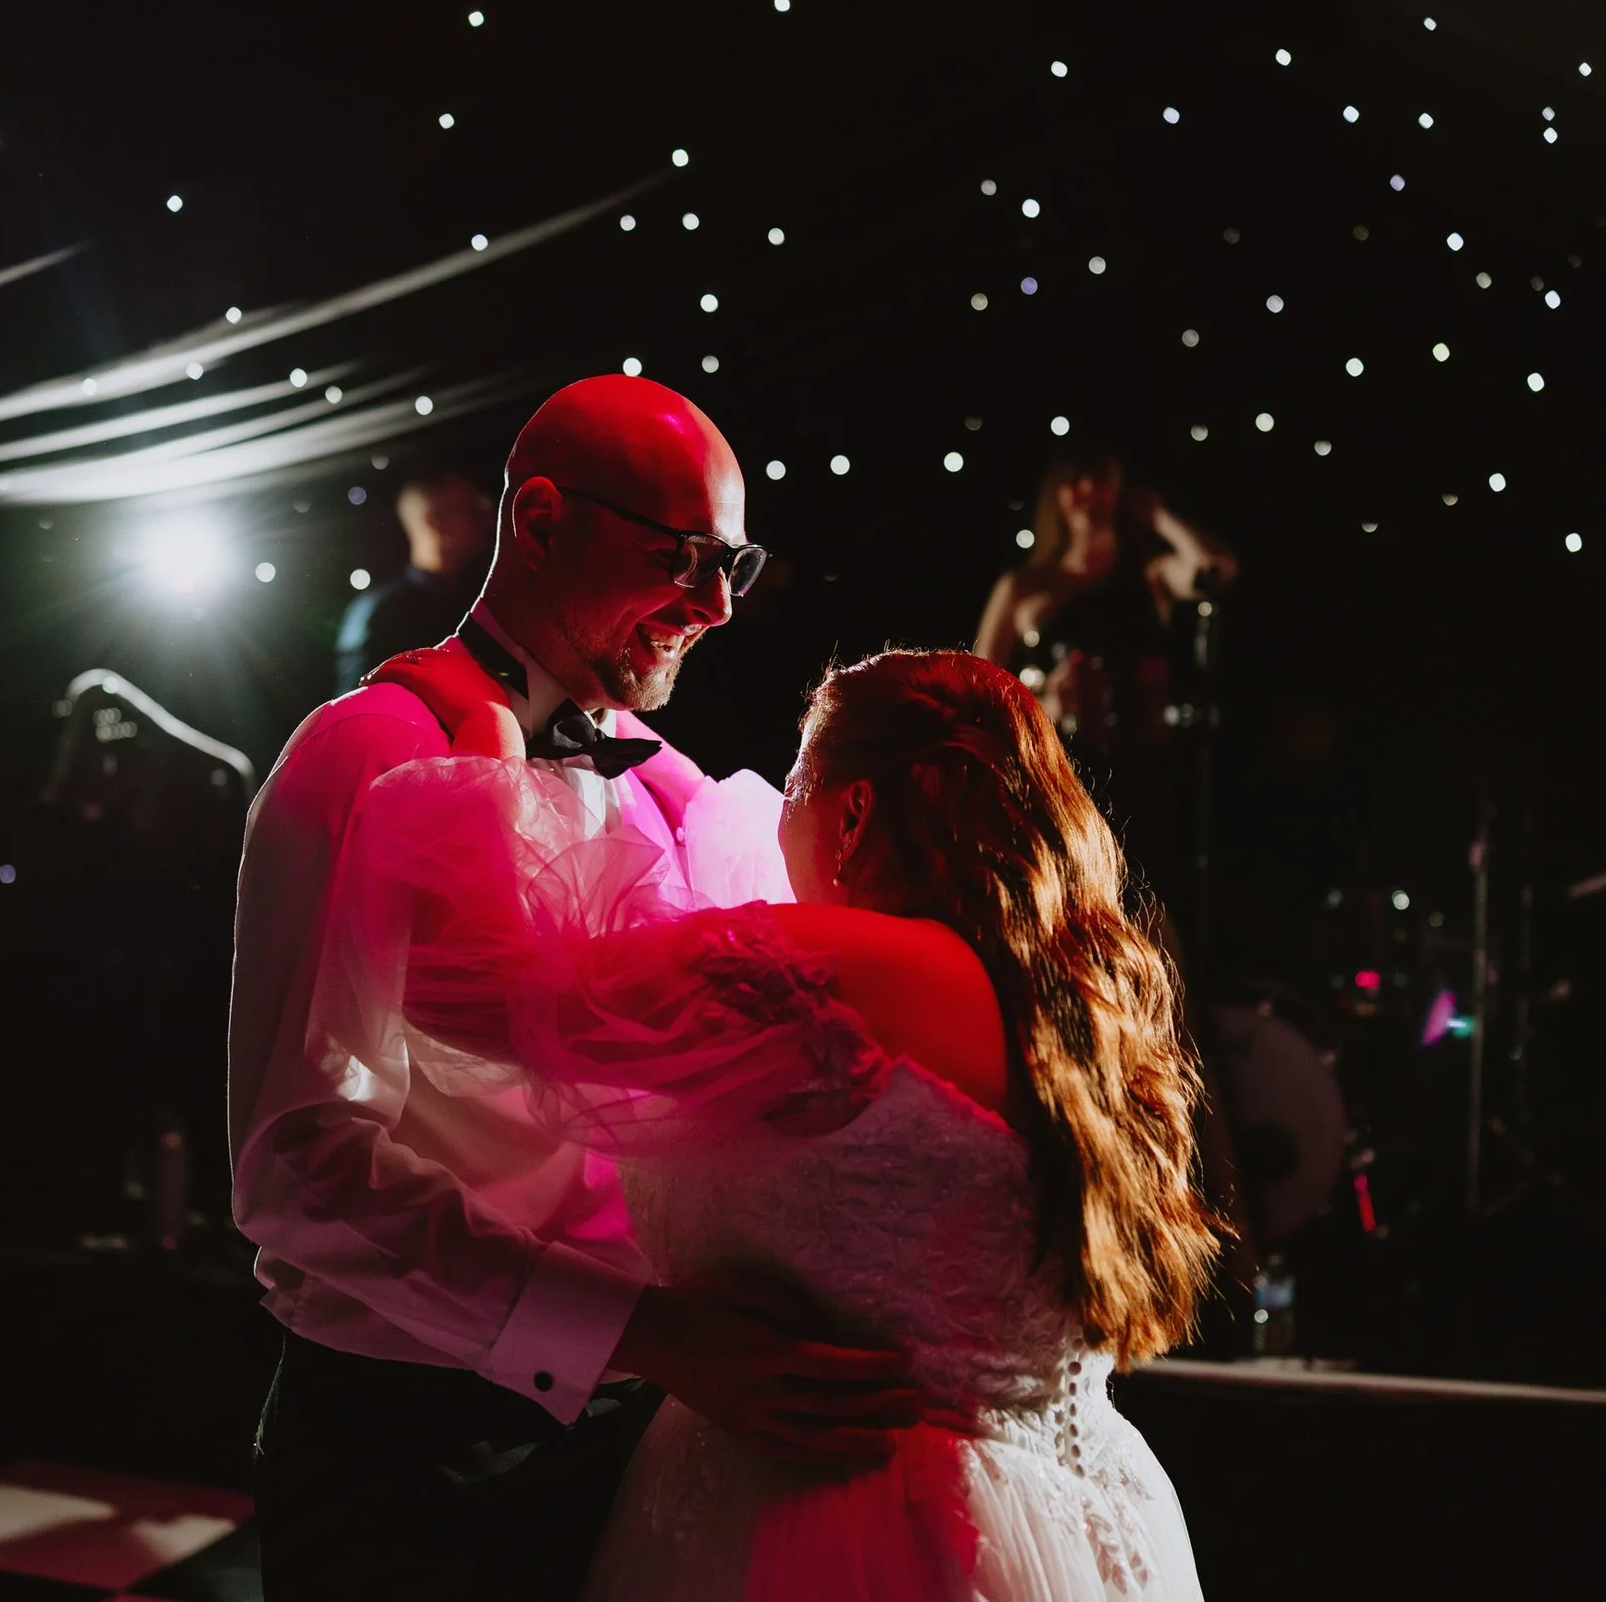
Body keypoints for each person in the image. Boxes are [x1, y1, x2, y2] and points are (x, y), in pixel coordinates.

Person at [229, 376, 925, 1601]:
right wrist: (642, 1334)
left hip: (641, 1428)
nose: (714, 606)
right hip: (409, 1448)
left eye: (734, 566)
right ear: (541, 520)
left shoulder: (670, 785)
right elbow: (297, 1168)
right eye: (684, 557)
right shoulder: (365, 753)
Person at [346, 642, 1219, 1600]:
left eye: (796, 779)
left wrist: (486, 746)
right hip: (1067, 1508)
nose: (775, 811)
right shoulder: (1079, 995)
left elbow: (467, 986)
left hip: (853, 1528)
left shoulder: (842, 972)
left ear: (855, 810)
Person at [974, 449, 1236, 930]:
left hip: (1141, 764)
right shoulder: (1027, 584)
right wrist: (1039, 706)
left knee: (1142, 906)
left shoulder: (1149, 574)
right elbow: (977, 684)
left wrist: (1157, 516)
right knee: (1065, 901)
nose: (1089, 493)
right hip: (1057, 763)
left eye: (1101, 481)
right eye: (1077, 481)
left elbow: (1214, 569)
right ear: (1057, 494)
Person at [332, 469, 496, 696]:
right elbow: (360, 710)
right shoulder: (380, 615)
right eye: (470, 509)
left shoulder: (478, 596)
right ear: (434, 521)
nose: (487, 519)